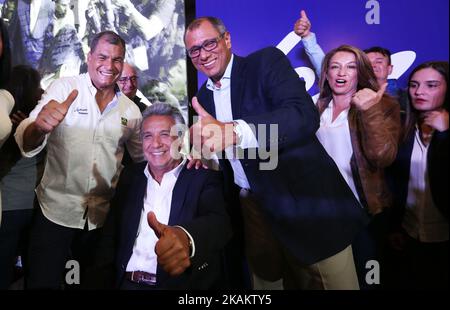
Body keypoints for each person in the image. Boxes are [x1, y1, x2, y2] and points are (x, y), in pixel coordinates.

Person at [185, 16, 367, 290]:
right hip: (252, 209)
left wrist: (236, 131)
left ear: (227, 39)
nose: (203, 54)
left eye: (209, 43)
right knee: (267, 285)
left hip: (304, 204)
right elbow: (225, 153)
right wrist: (202, 152)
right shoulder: (203, 98)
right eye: (194, 50)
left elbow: (303, 116)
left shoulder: (265, 62)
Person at [14, 30, 143, 289]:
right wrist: (38, 128)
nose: (109, 66)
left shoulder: (131, 111)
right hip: (54, 214)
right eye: (103, 57)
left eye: (117, 59)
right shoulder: (64, 89)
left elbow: (143, 160)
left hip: (100, 220)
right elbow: (26, 137)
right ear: (89, 57)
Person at [93, 103, 232, 289]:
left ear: (181, 138)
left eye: (165, 135)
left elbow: (219, 224)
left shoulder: (203, 178)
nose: (156, 144)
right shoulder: (130, 177)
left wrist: (185, 237)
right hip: (126, 283)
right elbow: (111, 236)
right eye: (148, 136)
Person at [316, 45, 400, 289]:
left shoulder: (382, 104)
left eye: (350, 66)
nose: (342, 72)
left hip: (364, 210)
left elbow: (383, 157)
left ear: (359, 72)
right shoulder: (318, 106)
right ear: (327, 73)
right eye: (335, 66)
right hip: (326, 211)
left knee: (368, 278)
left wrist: (369, 111)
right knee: (333, 280)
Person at [386, 61, 448, 289]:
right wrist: (394, 226)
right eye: (414, 85)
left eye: (431, 85)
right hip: (410, 235)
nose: (419, 92)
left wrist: (445, 134)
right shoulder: (404, 129)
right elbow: (395, 182)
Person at [294, 10, 408, 112]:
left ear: (390, 68)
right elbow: (325, 66)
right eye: (368, 62)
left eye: (379, 61)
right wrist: (307, 37)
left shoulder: (404, 98)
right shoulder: (344, 92)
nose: (372, 65)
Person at [0, 65, 44, 289]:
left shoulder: (37, 121)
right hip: (14, 207)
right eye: (38, 87)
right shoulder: (7, 123)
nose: (42, 92)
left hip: (26, 207)